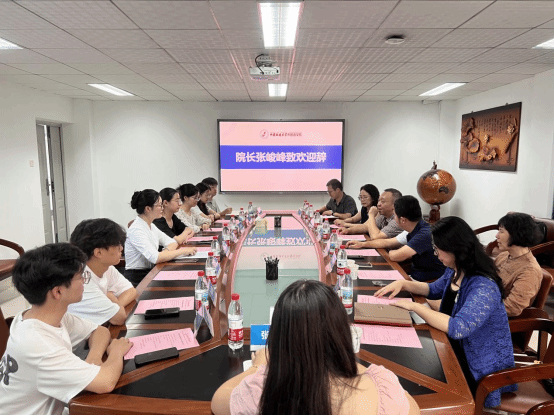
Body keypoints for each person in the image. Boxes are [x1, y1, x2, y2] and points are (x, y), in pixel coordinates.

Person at [211, 280, 419, 415]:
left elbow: (218, 400)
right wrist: (346, 360)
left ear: (280, 341)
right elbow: (413, 409)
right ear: (341, 334)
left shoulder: (262, 392)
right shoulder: (383, 389)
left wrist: (259, 366)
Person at [375, 217, 516, 408]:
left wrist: (415, 307)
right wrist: (404, 283)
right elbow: (433, 289)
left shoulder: (484, 285)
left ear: (455, 249)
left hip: (476, 364)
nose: (436, 254)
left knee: (414, 381)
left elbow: (459, 328)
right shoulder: (455, 268)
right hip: (449, 346)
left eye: (438, 249)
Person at [0, 243, 133, 415]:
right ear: (58, 292)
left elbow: (99, 331)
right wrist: (116, 351)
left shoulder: (40, 315)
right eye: (80, 277)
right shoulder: (39, 345)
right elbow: (106, 382)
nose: (84, 281)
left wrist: (93, 357)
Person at [348, 196, 445, 281]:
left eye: (395, 215)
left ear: (403, 220)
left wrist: (390, 252)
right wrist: (362, 244)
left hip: (428, 282)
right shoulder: (412, 228)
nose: (394, 218)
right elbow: (387, 242)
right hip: (414, 276)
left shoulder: (424, 234)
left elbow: (396, 256)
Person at [67, 218, 137, 326]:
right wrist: (112, 302)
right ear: (98, 252)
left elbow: (131, 291)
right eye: (116, 244)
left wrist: (112, 303)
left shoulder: (106, 267)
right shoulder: (81, 280)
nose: (121, 248)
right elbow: (119, 318)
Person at [125, 189, 197, 287]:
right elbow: (156, 258)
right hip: (138, 277)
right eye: (159, 205)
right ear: (148, 209)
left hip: (151, 270)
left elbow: (173, 243)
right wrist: (183, 251)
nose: (162, 208)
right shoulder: (136, 229)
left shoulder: (151, 225)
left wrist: (164, 253)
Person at [495, 213, 543, 317]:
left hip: (502, 320)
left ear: (516, 234)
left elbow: (512, 308)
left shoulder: (530, 270)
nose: (497, 236)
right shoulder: (504, 255)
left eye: (501, 231)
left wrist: (479, 308)